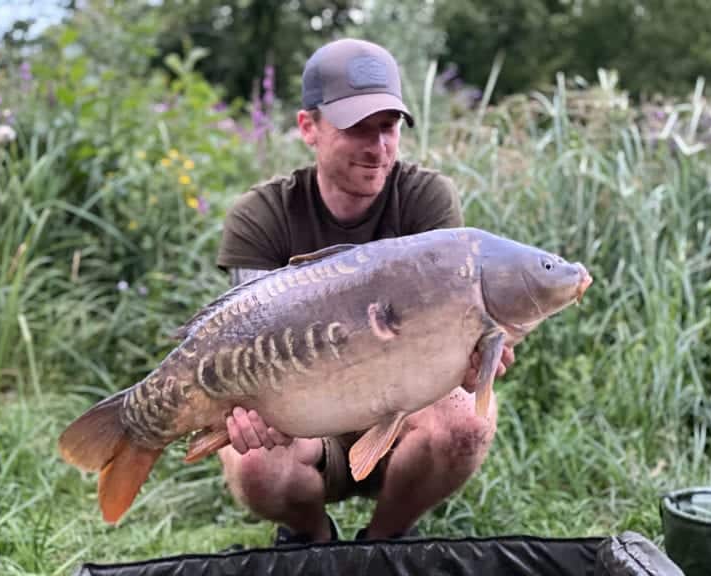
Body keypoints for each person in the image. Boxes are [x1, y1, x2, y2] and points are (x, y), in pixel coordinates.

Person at [215, 38, 514, 544]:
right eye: (357, 129)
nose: (378, 148)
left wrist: (472, 356)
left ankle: (384, 542)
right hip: (302, 411)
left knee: (467, 419)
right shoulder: (260, 215)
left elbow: (452, 329)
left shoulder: (425, 200)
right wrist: (253, 411)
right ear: (308, 127)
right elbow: (249, 347)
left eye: (389, 128)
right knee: (255, 461)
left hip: (401, 404)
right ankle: (311, 540)